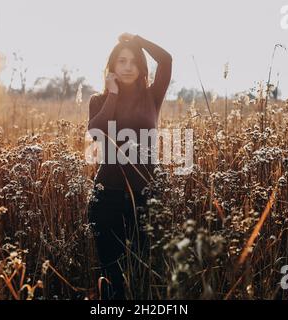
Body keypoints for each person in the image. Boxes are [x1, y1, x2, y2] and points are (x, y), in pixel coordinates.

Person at [87, 32, 172, 300]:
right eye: (121, 61)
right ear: (111, 67)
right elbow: (97, 132)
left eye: (133, 62)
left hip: (146, 196)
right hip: (107, 195)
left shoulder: (152, 96)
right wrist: (112, 95)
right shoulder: (98, 100)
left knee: (143, 271)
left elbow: (166, 60)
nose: (127, 67)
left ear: (142, 68)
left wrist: (138, 40)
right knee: (113, 278)